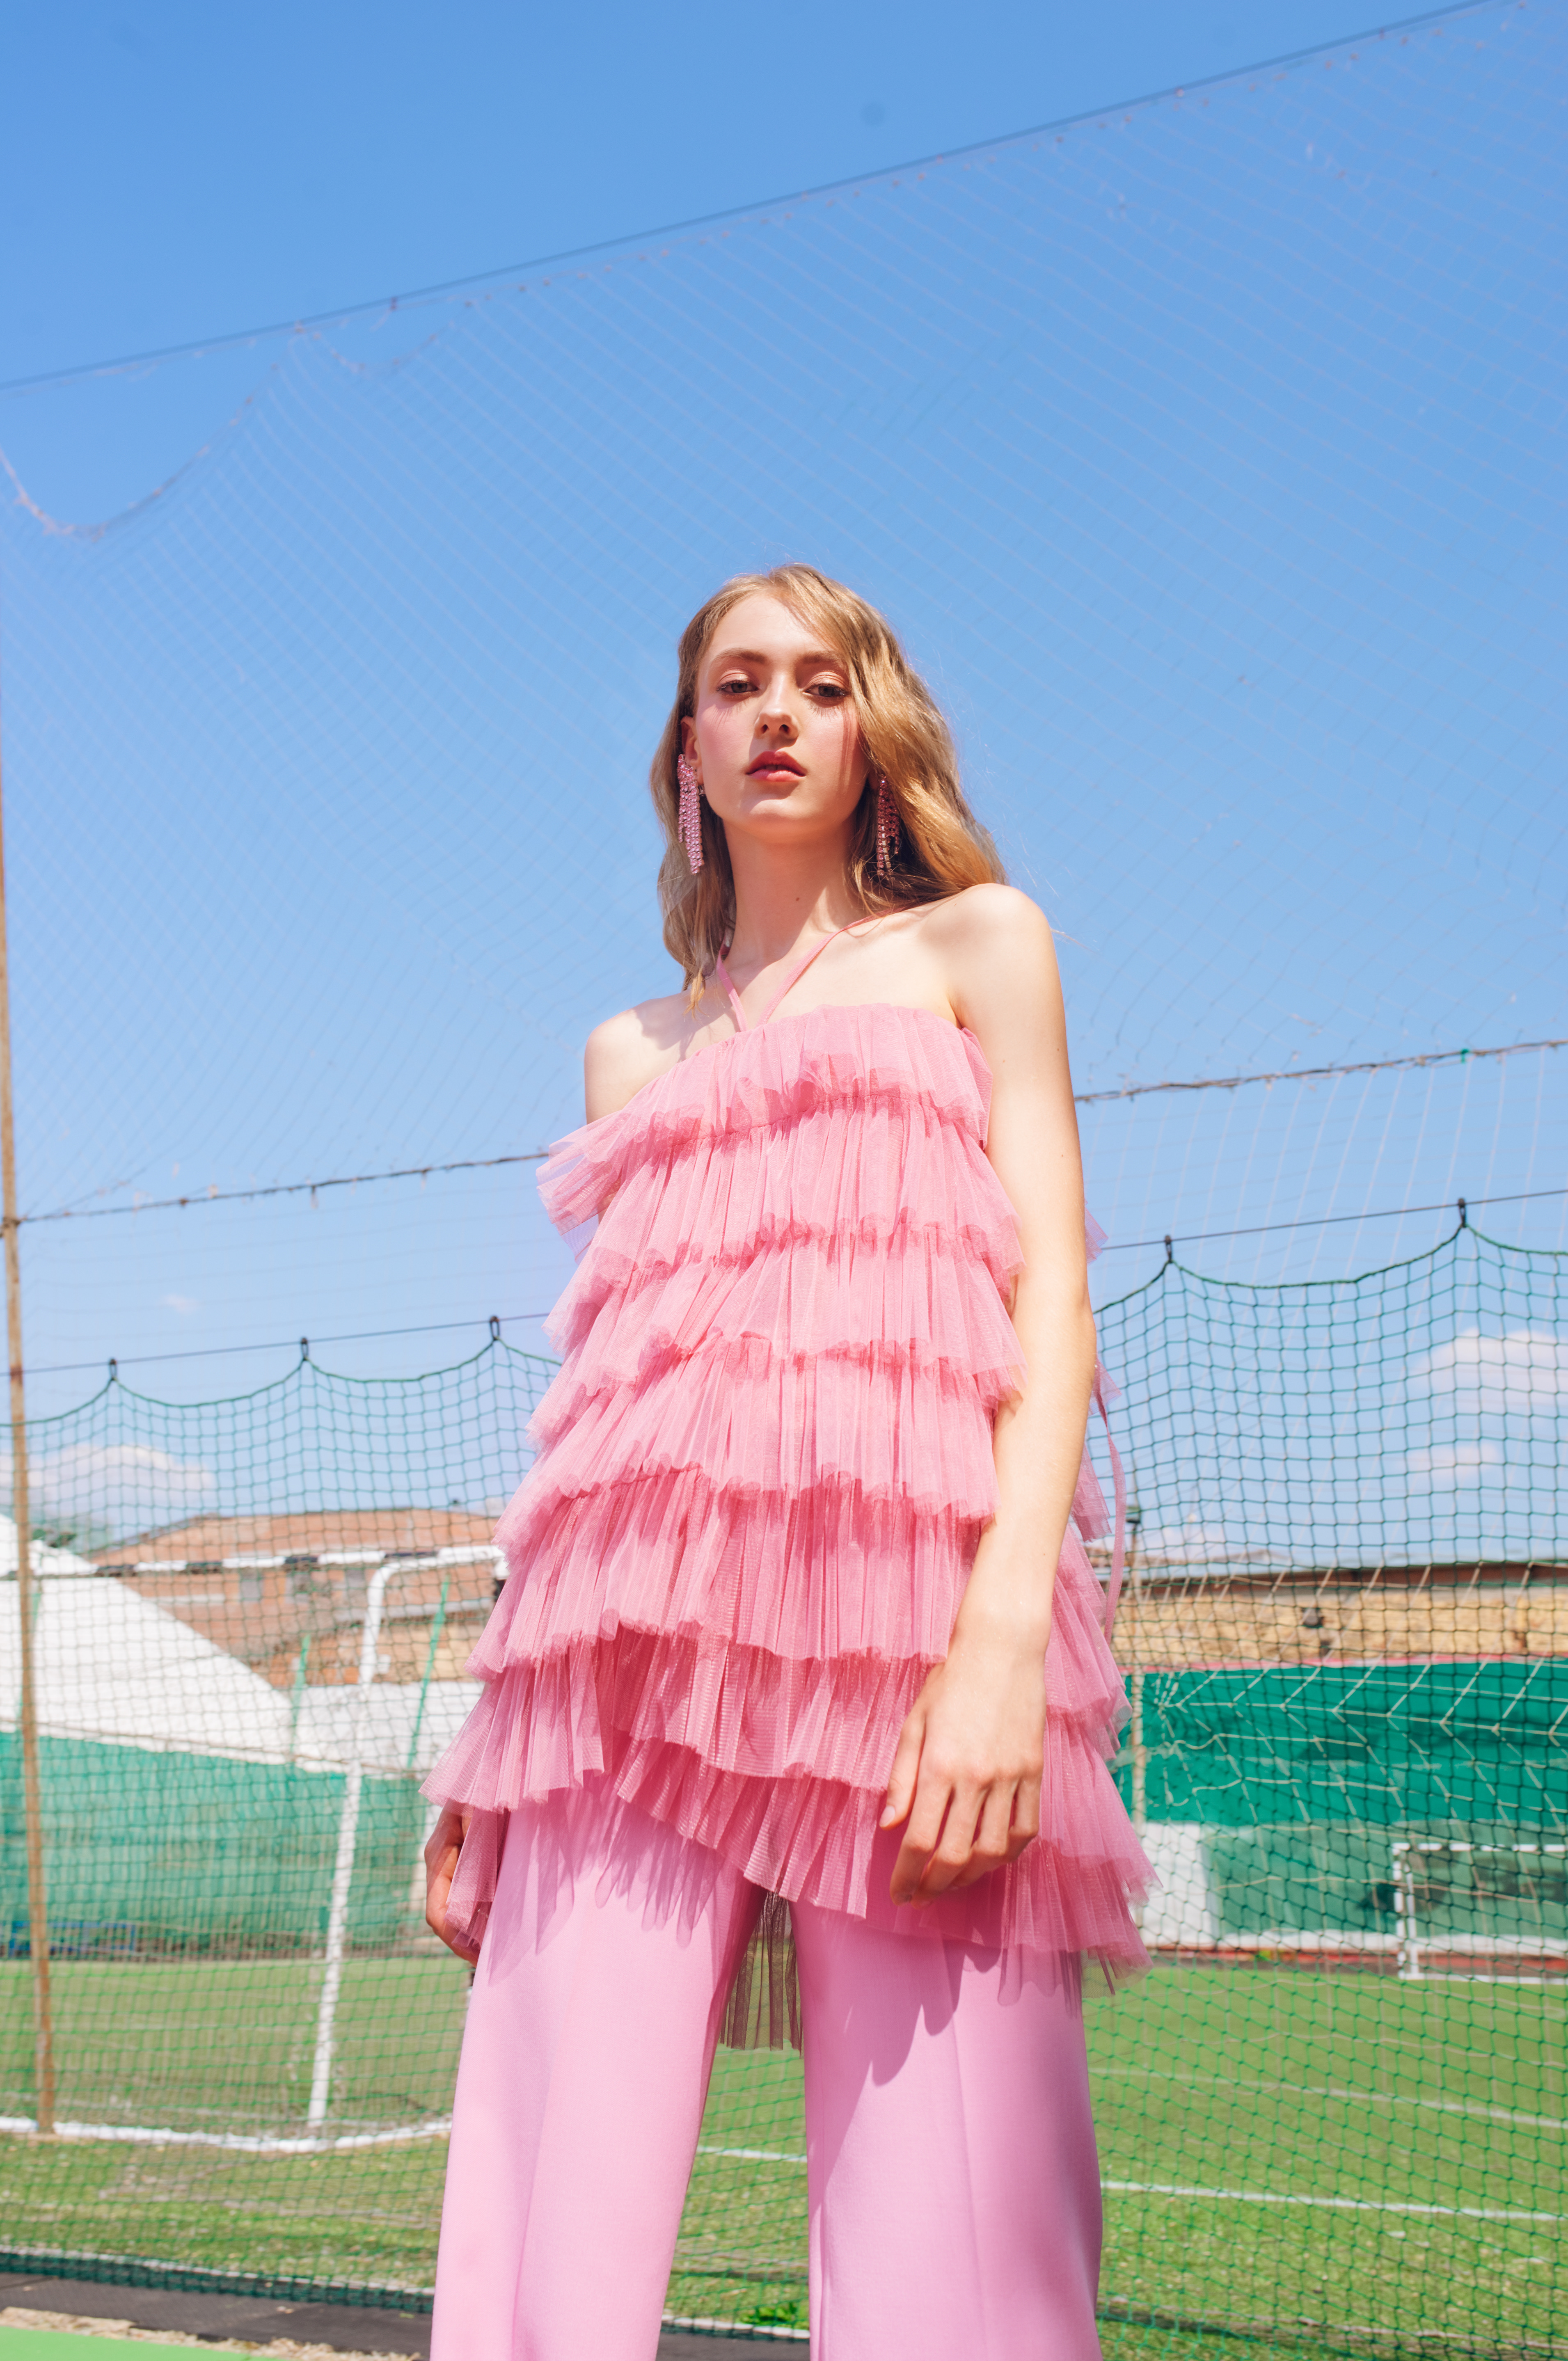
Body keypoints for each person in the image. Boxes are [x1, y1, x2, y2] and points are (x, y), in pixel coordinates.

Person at [421, 564, 1151, 2360]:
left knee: (954, 2217)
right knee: (549, 2198)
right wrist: (492, 1744)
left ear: (872, 732)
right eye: (738, 683)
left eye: (823, 685)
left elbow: (1054, 1296)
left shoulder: (982, 947)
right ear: (686, 744)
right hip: (618, 1668)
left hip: (912, 1638)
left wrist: (999, 1649)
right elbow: (608, 1407)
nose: (778, 714)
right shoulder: (630, 1054)